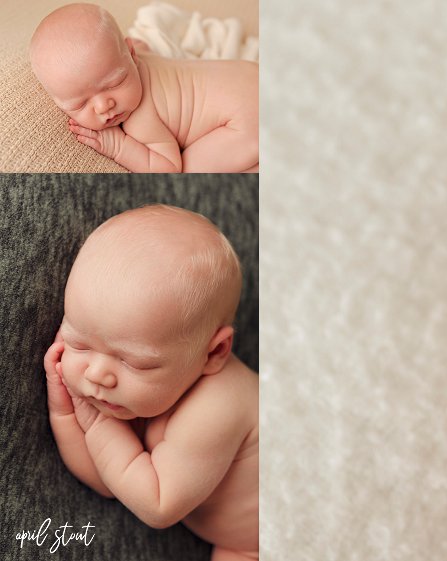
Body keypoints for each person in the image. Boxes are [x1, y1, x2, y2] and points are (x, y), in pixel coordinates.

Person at [44, 205, 259, 560]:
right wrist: (66, 410)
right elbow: (110, 482)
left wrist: (96, 423)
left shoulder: (218, 407)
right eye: (78, 341)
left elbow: (156, 503)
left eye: (136, 363)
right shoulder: (148, 391)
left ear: (213, 352)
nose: (96, 374)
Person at [29, 3, 258, 172]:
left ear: (131, 55)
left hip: (247, 123)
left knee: (191, 170)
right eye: (79, 104)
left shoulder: (141, 120)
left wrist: (117, 146)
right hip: (252, 74)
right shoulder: (137, 53)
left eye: (115, 82)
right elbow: (141, 43)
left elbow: (168, 167)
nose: (103, 106)